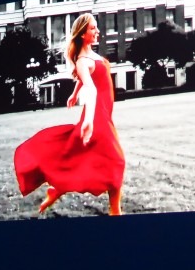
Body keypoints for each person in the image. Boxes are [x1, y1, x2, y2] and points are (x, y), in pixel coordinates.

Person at [13, 13, 125, 216]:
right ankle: (115, 211)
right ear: (82, 34)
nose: (97, 31)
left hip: (104, 112)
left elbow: (84, 79)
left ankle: (57, 189)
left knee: (82, 156)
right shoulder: (82, 61)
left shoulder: (91, 57)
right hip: (96, 113)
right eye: (93, 28)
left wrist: (74, 93)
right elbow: (91, 89)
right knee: (116, 160)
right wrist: (89, 120)